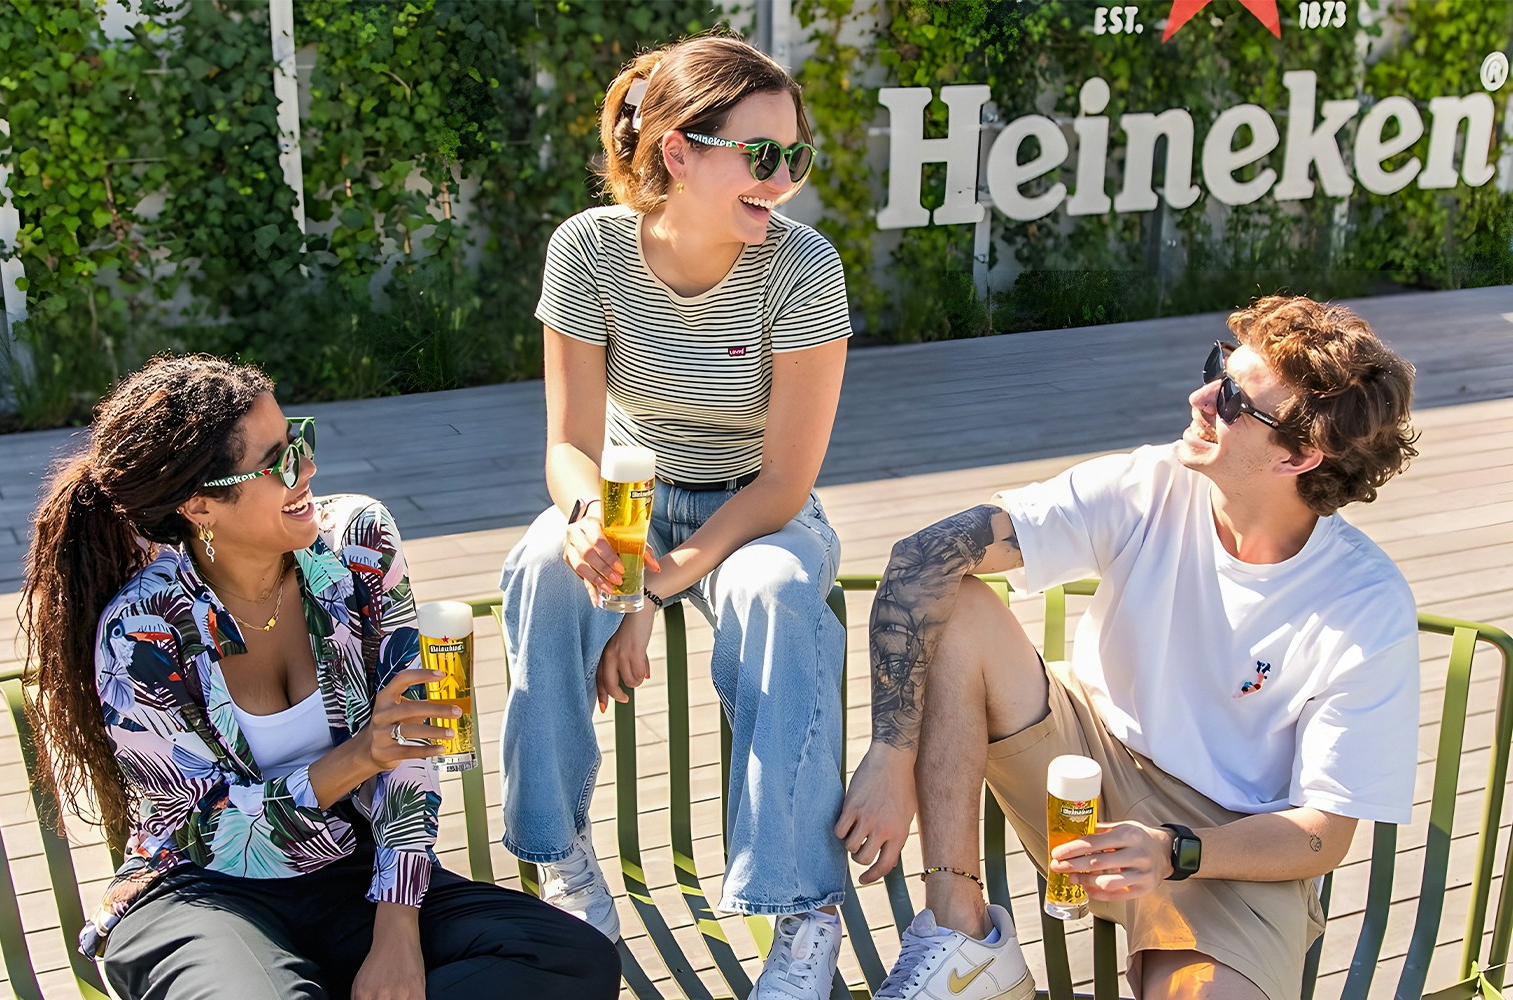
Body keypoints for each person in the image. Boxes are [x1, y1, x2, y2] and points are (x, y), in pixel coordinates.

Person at [835, 296, 1421, 1000]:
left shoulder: (1364, 604)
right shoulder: (1146, 485)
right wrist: (889, 755)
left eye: (1234, 398)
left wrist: (1177, 851)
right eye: (1217, 369)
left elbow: (1323, 834)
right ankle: (965, 941)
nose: (1202, 396)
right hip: (1079, 763)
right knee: (957, 600)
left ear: (1299, 455)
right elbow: (923, 556)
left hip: (1230, 846)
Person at [20, 355, 620, 1000]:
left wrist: (397, 932)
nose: (308, 468)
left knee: (569, 958)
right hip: (204, 889)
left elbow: (410, 756)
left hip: (355, 867)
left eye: (299, 439)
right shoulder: (143, 629)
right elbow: (211, 831)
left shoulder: (358, 544)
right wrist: (359, 756)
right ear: (200, 505)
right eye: (278, 461)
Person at [498, 33, 853, 1000]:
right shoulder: (588, 249)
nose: (782, 180)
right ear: (677, 151)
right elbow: (567, 445)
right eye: (760, 154)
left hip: (758, 511)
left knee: (781, 594)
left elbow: (784, 483)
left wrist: (650, 588)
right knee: (540, 569)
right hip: (628, 490)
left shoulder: (803, 268)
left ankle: (800, 914)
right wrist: (588, 524)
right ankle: (562, 861)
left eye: (795, 156)